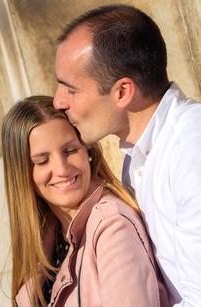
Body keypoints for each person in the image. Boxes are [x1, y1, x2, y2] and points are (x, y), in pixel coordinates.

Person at [53, 4, 201, 306]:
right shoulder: (136, 160)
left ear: (122, 92)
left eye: (70, 89)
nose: (58, 102)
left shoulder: (191, 150)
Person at [1, 96, 168, 306]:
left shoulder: (112, 227)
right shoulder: (47, 238)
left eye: (70, 151)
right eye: (43, 161)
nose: (62, 170)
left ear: (87, 150)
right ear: (22, 174)